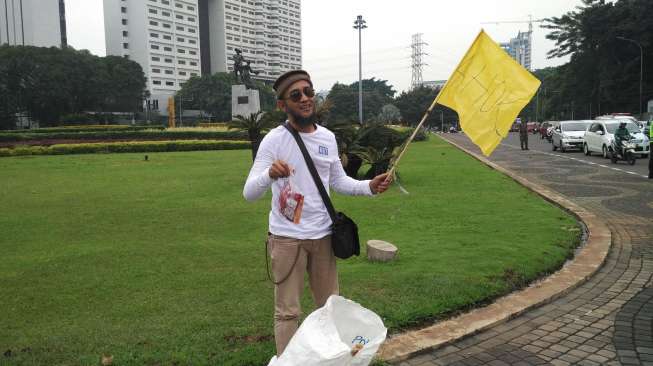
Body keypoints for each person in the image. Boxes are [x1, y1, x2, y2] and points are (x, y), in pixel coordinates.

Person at [242, 70, 392, 356]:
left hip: (323, 237)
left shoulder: (327, 138)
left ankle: (330, 360)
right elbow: (249, 193)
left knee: (330, 308)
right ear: (282, 104)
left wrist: (368, 186)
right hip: (287, 240)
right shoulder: (274, 140)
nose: (305, 98)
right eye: (296, 94)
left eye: (309, 92)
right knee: (287, 313)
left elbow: (337, 181)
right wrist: (269, 175)